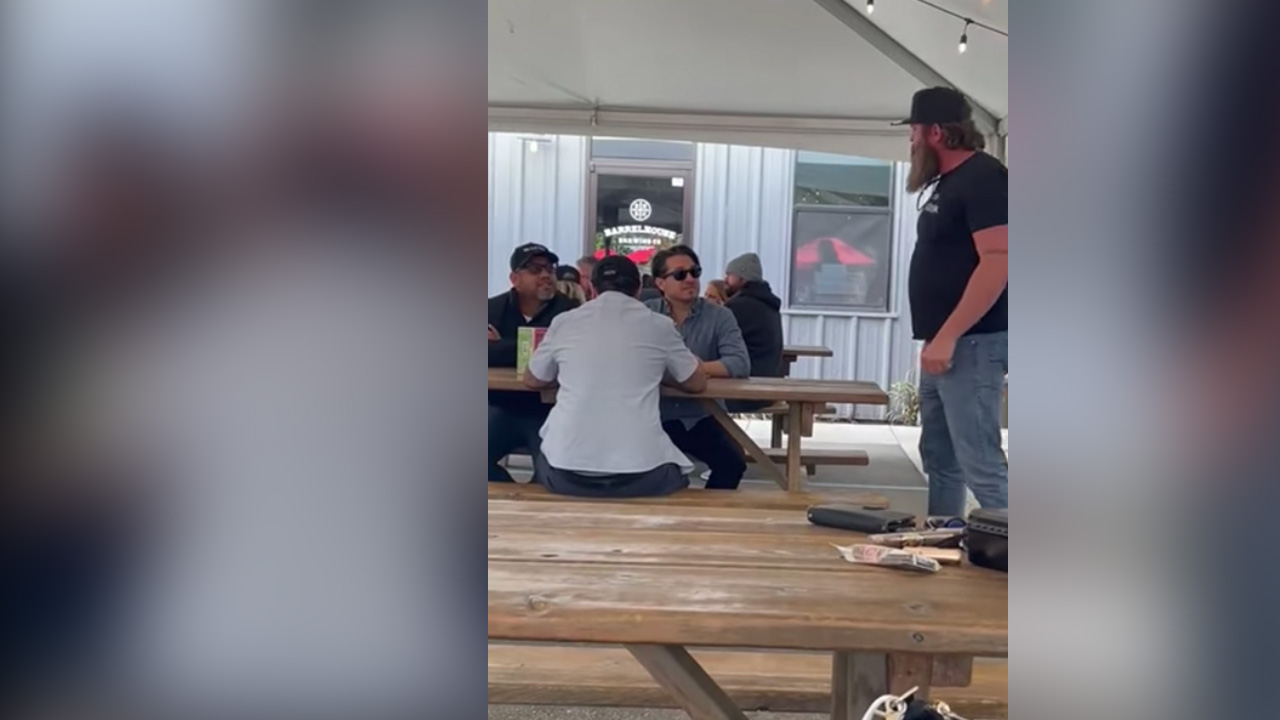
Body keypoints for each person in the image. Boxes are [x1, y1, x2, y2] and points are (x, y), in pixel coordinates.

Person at [899, 87, 1009, 516]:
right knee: (941, 460)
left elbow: (998, 260)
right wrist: (937, 339)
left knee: (979, 461)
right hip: (945, 343)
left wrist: (949, 335)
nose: (910, 141)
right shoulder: (949, 183)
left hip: (972, 343)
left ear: (938, 133)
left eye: (914, 131)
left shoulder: (984, 178)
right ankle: (943, 539)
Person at [524, 256, 708, 497]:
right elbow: (697, 382)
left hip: (565, 469)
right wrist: (658, 373)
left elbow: (532, 378)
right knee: (681, 480)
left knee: (542, 465)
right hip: (642, 472)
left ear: (592, 287)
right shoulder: (660, 325)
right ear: (639, 288)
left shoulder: (564, 322)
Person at [645, 245, 751, 489]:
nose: (690, 279)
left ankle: (712, 519)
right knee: (646, 468)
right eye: (680, 274)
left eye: (695, 272)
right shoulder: (645, 314)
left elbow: (739, 362)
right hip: (652, 416)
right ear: (660, 283)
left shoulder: (720, 315)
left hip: (702, 414)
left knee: (733, 461)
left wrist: (693, 368)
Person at [488, 243, 578, 482]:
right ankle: (509, 496)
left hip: (550, 412)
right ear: (514, 278)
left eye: (550, 268)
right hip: (499, 407)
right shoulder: (491, 308)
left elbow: (570, 357)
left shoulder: (570, 313)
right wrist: (544, 345)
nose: (546, 275)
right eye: (536, 269)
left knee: (553, 476)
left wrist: (502, 345)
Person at [722, 252, 785, 412]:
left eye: (729, 275)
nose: (725, 280)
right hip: (767, 384)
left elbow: (713, 341)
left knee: (691, 396)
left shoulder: (739, 307)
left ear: (742, 279)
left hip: (745, 390)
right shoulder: (767, 304)